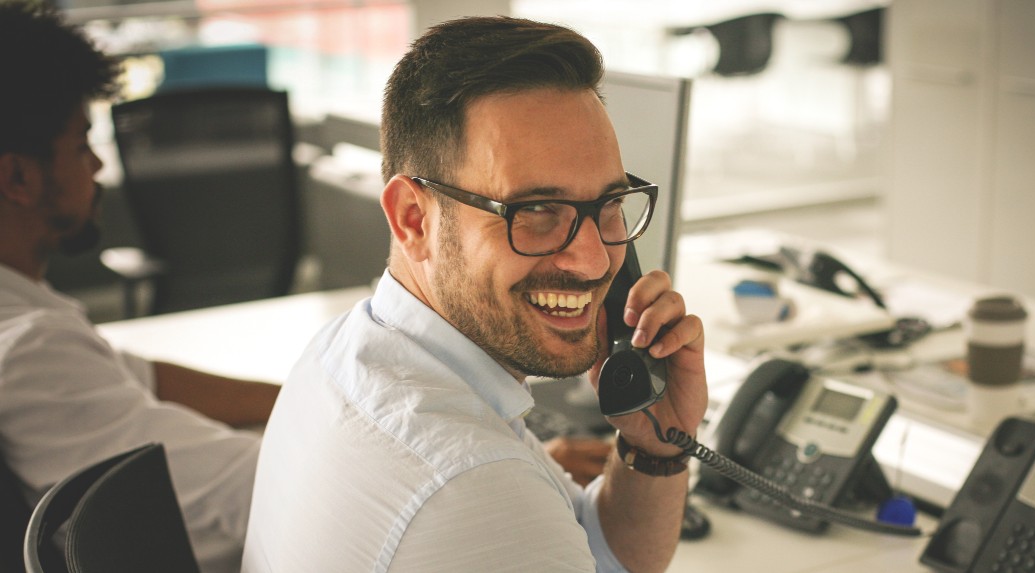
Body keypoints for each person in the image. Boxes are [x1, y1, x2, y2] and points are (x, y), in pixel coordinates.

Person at [244, 16, 708, 572]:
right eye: (536, 211)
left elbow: (600, 555)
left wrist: (653, 446)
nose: (593, 259)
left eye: (609, 205)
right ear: (414, 219)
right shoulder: (473, 487)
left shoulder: (347, 351)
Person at [0, 3, 280, 571]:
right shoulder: (29, 349)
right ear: (18, 179)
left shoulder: (28, 321)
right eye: (82, 143)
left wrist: (309, 399)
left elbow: (142, 378)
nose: (98, 165)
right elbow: (251, 492)